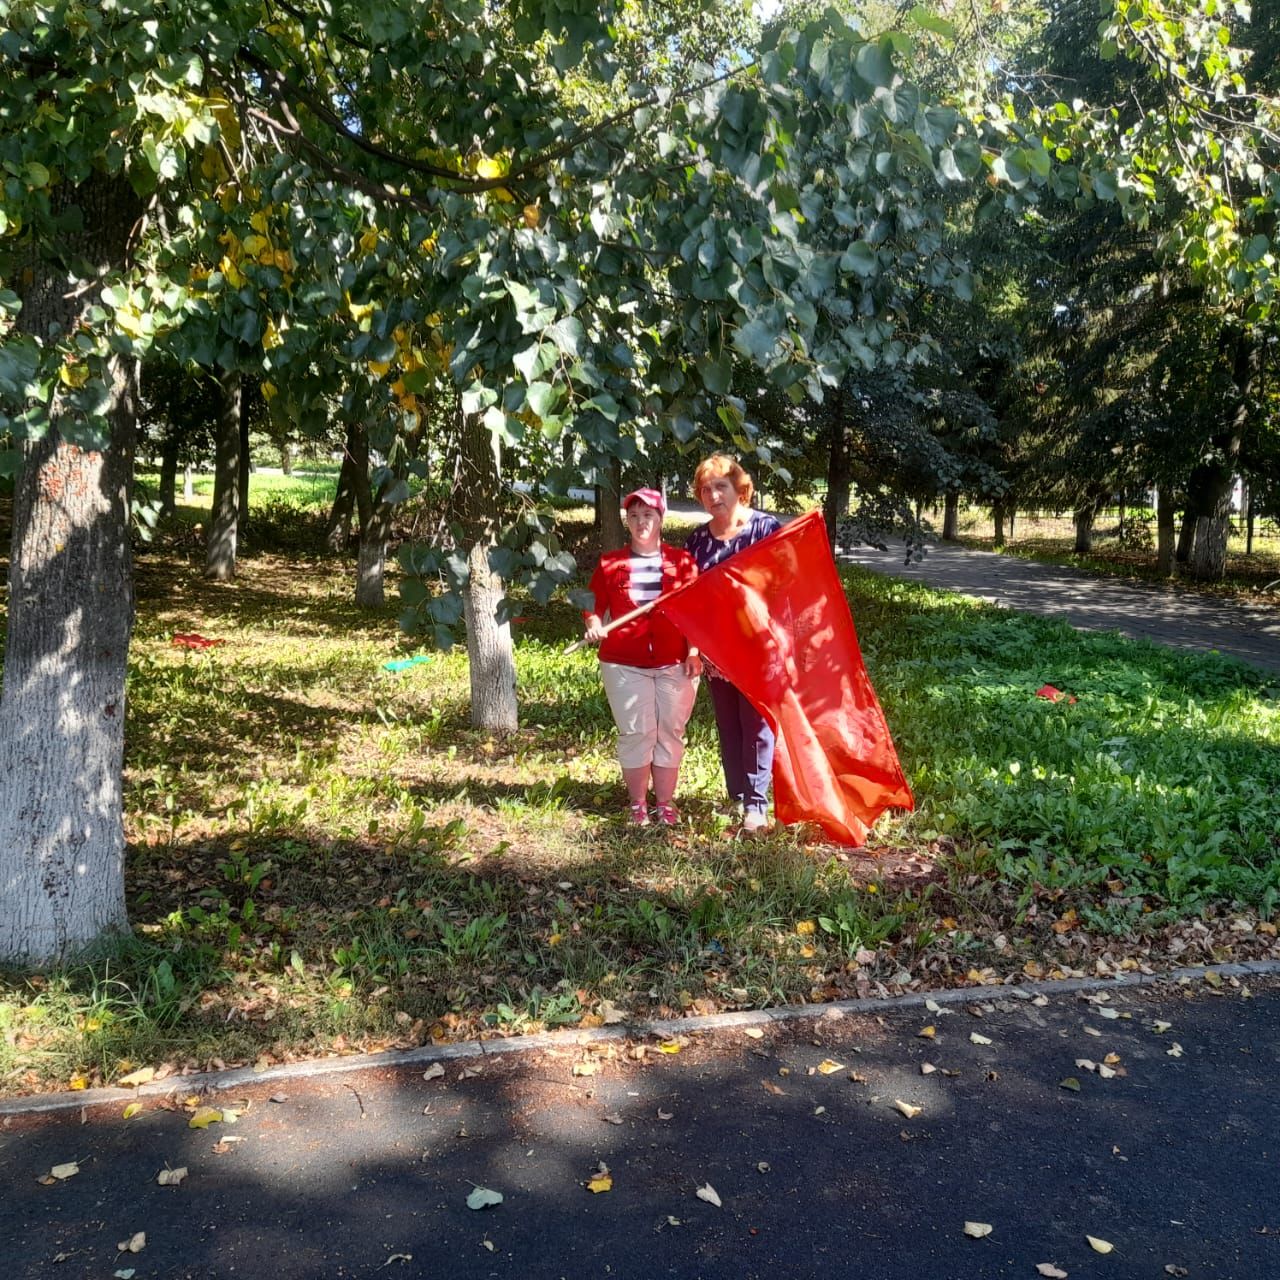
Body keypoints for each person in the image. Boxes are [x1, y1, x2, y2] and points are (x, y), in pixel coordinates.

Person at [583, 489, 702, 827]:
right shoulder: (610, 563)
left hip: (675, 662)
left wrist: (694, 651)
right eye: (633, 516)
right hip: (623, 662)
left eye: (648, 515)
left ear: (661, 518)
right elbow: (593, 606)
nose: (641, 522)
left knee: (670, 731)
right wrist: (594, 625)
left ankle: (664, 803)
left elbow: (694, 611)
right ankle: (638, 804)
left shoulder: (682, 562)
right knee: (637, 732)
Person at [684, 455, 781, 833]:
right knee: (729, 726)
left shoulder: (765, 529)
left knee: (756, 725)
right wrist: (693, 650)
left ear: (739, 489)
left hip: (758, 648)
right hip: (716, 652)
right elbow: (692, 602)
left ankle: (757, 804)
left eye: (720, 486)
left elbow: (784, 583)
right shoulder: (697, 541)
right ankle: (738, 795)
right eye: (705, 489)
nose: (712, 495)